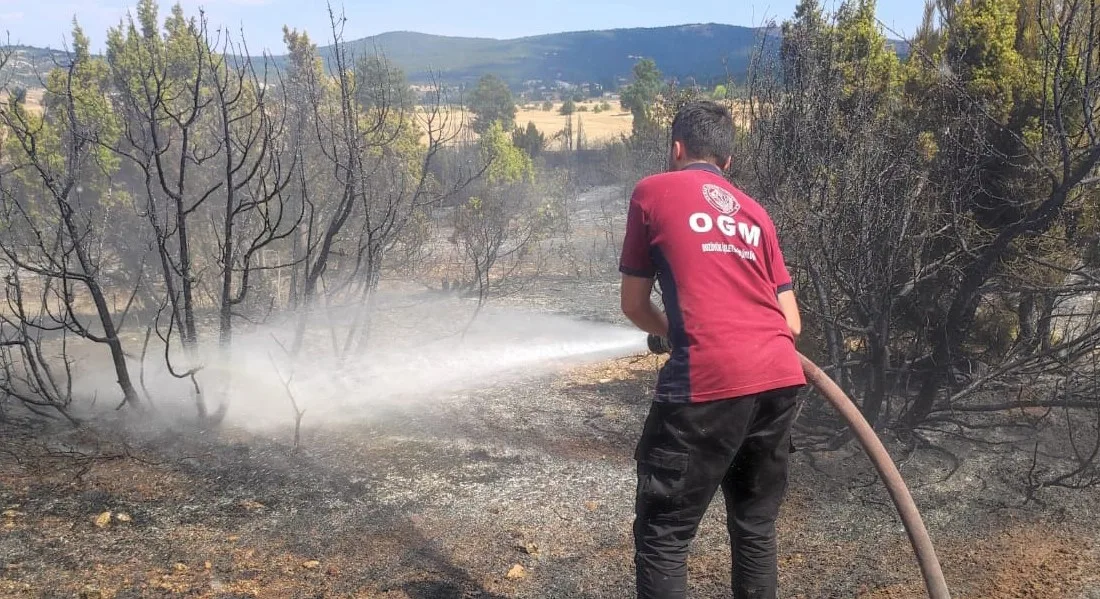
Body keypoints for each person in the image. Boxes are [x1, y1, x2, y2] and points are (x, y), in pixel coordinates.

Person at [618, 100, 806, 599]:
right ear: (728, 161)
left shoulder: (652, 192)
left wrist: (672, 332)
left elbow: (634, 305)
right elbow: (791, 322)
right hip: (780, 378)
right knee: (755, 529)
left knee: (665, 536)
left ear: (676, 149)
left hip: (707, 381)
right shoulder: (756, 213)